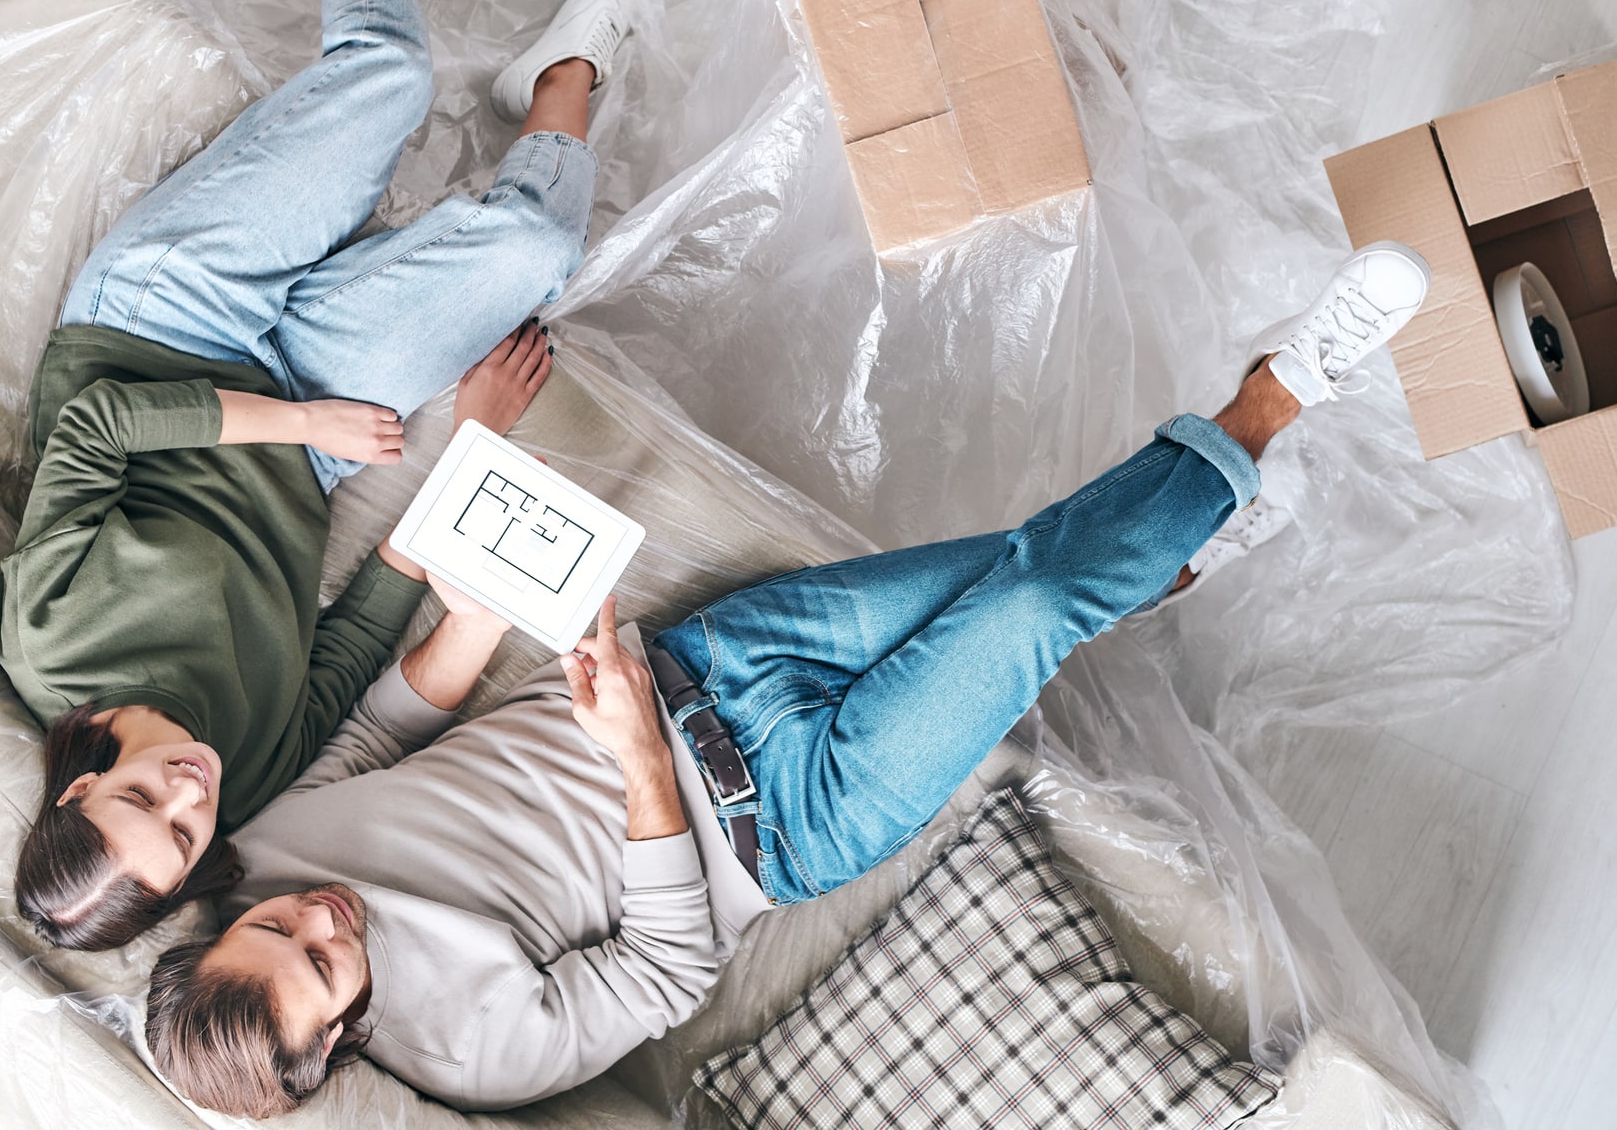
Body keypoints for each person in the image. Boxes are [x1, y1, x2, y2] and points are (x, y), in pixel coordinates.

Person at [140, 243, 1433, 1116]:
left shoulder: (260, 845)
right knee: (1034, 603)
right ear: (333, 1049)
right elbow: (664, 973)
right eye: (323, 963)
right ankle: (1287, 383)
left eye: (283, 925)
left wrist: (478, 609)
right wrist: (640, 760)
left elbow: (385, 725)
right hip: (801, 814)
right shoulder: (471, 1054)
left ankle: (1182, 547)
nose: (327, 920)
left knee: (1017, 562)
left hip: (717, 660)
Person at [0, 0, 636, 952]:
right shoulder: (251, 769)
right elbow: (347, 650)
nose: (188, 789)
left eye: (143, 795)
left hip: (165, 321)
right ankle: (560, 83)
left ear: (78, 786)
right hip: (319, 420)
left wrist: (299, 428)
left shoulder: (47, 642)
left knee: (386, 75)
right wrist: (466, 442)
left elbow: (95, 428)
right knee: (534, 245)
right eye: (185, 833)